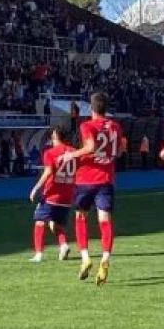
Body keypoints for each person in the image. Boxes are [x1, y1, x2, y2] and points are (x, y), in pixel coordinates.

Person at [58, 92, 123, 286]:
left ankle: (85, 257)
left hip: (86, 179)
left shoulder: (87, 125)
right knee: (105, 220)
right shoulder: (116, 127)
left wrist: (71, 155)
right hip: (106, 179)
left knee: (81, 216)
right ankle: (105, 258)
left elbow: (91, 147)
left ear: (91, 108)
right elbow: (118, 151)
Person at [27, 127, 75, 263]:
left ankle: (39, 254)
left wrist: (36, 188)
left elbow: (48, 172)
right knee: (55, 224)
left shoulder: (50, 153)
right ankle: (64, 245)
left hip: (52, 195)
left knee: (39, 221)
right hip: (67, 197)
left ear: (55, 137)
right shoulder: (73, 152)